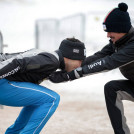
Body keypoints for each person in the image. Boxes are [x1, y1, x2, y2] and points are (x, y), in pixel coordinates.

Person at [49, 3, 134, 134]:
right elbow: (98, 57)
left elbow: (108, 63)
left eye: (110, 31)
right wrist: (68, 67)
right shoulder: (117, 42)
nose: (108, 36)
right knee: (112, 89)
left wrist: (72, 75)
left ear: (121, 29)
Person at [0, 37, 86, 134]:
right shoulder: (51, 61)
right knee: (52, 99)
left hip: (5, 82)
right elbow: (18, 64)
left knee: (37, 101)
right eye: (80, 61)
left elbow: (27, 67)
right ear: (70, 56)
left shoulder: (49, 59)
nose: (80, 65)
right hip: (3, 81)